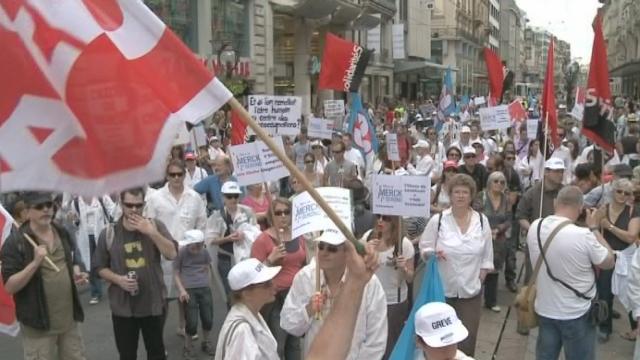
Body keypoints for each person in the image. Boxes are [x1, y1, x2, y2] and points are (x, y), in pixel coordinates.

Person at [527, 186, 615, 360]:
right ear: (581, 208)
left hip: (545, 308)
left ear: (555, 203)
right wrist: (595, 228)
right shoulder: (583, 235)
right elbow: (609, 261)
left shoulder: (535, 227)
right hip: (577, 313)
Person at [1, 192, 89, 360]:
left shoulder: (61, 231)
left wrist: (76, 274)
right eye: (39, 207)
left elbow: (71, 261)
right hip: (39, 327)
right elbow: (10, 286)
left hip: (69, 322)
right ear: (27, 212)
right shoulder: (15, 243)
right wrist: (35, 263)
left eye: (49, 205)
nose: (46, 210)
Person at [93, 187, 179, 360]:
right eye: (129, 205)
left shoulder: (155, 225)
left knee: (156, 354)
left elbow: (172, 254)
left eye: (138, 206)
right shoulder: (109, 233)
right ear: (121, 204)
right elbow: (99, 267)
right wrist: (118, 279)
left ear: (144, 204)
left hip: (152, 305)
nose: (133, 210)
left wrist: (152, 233)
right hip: (123, 308)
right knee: (127, 355)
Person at [280, 229, 388, 359]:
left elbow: (376, 341)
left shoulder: (370, 283)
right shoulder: (306, 277)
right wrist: (308, 310)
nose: (324, 253)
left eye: (332, 249)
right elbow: (288, 324)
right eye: (321, 246)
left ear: (347, 253)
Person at [419, 174, 493, 357]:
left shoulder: (482, 221)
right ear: (450, 195)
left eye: (465, 192)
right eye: (456, 192)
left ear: (471, 195)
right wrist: (431, 254)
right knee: (441, 343)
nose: (460, 196)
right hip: (442, 292)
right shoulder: (438, 221)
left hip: (470, 294)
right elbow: (424, 248)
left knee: (467, 341)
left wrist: (478, 282)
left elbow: (487, 258)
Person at [144, 160, 207, 337]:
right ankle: (157, 338)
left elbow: (202, 223)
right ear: (167, 176)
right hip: (163, 255)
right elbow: (150, 225)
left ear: (185, 175)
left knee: (186, 296)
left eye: (180, 174)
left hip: (189, 255)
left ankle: (184, 326)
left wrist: (200, 248)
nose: (176, 178)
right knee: (162, 300)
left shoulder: (194, 197)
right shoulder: (155, 199)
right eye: (172, 174)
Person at [251, 198, 306, 360]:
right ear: (270, 216)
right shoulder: (263, 240)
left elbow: (302, 263)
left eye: (287, 212)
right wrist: (270, 259)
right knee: (278, 345)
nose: (283, 216)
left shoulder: (299, 236)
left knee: (294, 344)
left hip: (296, 297)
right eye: (278, 213)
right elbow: (254, 274)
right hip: (276, 298)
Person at [593, 178, 640, 342]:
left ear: (630, 196)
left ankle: (636, 329)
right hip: (607, 255)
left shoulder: (633, 211)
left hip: (626, 257)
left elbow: (631, 237)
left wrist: (609, 227)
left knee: (631, 294)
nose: (622, 195)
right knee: (604, 293)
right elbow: (592, 230)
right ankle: (605, 328)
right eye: (619, 191)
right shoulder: (602, 209)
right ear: (613, 191)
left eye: (627, 193)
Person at [362, 215, 414, 359]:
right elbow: (358, 268)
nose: (380, 221)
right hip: (369, 300)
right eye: (378, 216)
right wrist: (365, 253)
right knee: (369, 344)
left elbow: (410, 278)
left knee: (390, 344)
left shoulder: (403, 244)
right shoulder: (367, 237)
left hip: (393, 302)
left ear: (394, 222)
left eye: (386, 218)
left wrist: (403, 268)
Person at [214, 258, 282, 359]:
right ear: (246, 294)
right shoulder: (242, 331)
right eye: (267, 284)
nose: (274, 285)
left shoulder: (253, 314)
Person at [516, 158, 565, 285]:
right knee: (533, 280)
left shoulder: (565, 193)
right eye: (556, 171)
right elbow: (521, 216)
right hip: (536, 242)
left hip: (560, 242)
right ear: (547, 172)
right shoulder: (532, 193)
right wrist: (534, 229)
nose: (560, 174)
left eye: (562, 171)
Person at [205, 181, 257, 295]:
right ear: (223, 197)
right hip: (226, 258)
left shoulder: (247, 212)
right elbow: (210, 240)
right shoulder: (216, 216)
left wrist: (245, 234)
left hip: (246, 256)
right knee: (230, 292)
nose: (233, 199)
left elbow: (256, 232)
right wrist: (228, 238)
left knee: (248, 289)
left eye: (235, 196)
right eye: (229, 196)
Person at [65, 194, 116, 305]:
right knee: (91, 265)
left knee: (108, 260)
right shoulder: (76, 202)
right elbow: (76, 223)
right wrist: (73, 219)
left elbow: (113, 211)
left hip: (102, 234)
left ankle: (115, 285)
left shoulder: (102, 197)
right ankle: (95, 292)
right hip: (86, 237)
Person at [174, 229, 215, 359]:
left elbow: (208, 266)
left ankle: (206, 342)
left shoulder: (204, 252)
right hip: (189, 289)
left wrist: (208, 284)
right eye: (194, 246)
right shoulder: (181, 253)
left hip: (204, 288)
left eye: (199, 245)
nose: (197, 249)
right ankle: (187, 346)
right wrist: (181, 290)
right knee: (191, 321)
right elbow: (176, 273)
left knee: (208, 317)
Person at [473, 172, 511, 312]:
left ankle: (491, 301)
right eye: (496, 181)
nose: (499, 184)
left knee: (494, 270)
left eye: (502, 182)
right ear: (489, 182)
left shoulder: (505, 200)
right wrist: (488, 230)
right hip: (481, 237)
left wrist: (498, 229)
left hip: (498, 239)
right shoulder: (481, 196)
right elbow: (475, 215)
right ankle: (474, 298)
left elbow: (508, 219)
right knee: (479, 268)